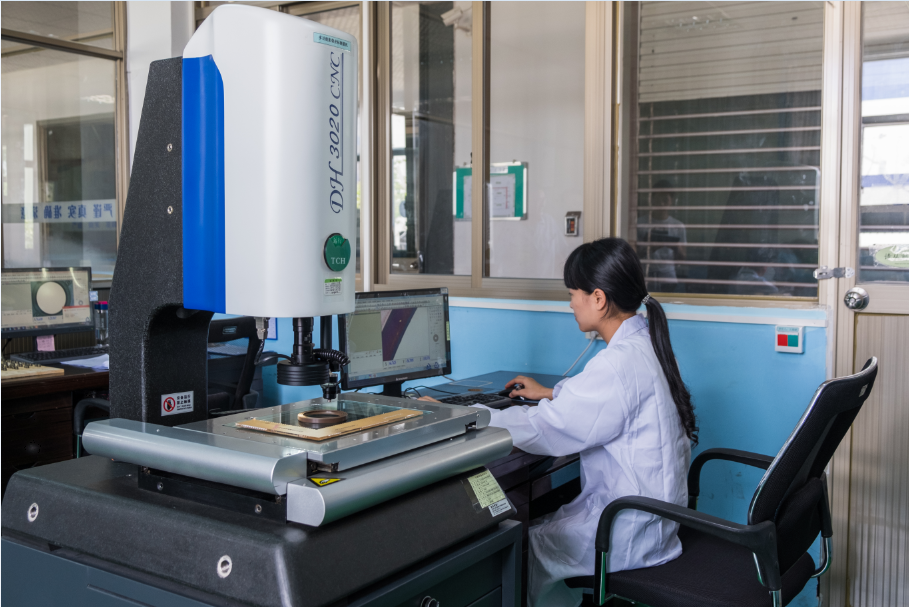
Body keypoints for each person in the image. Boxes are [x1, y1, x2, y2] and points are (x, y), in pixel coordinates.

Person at [421, 237, 697, 607]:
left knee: (532, 540)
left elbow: (544, 428)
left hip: (629, 529)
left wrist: (466, 415)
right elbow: (608, 401)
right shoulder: (646, 342)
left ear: (598, 299)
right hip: (657, 518)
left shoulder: (616, 364)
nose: (570, 304)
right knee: (546, 522)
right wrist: (552, 392)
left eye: (572, 294)